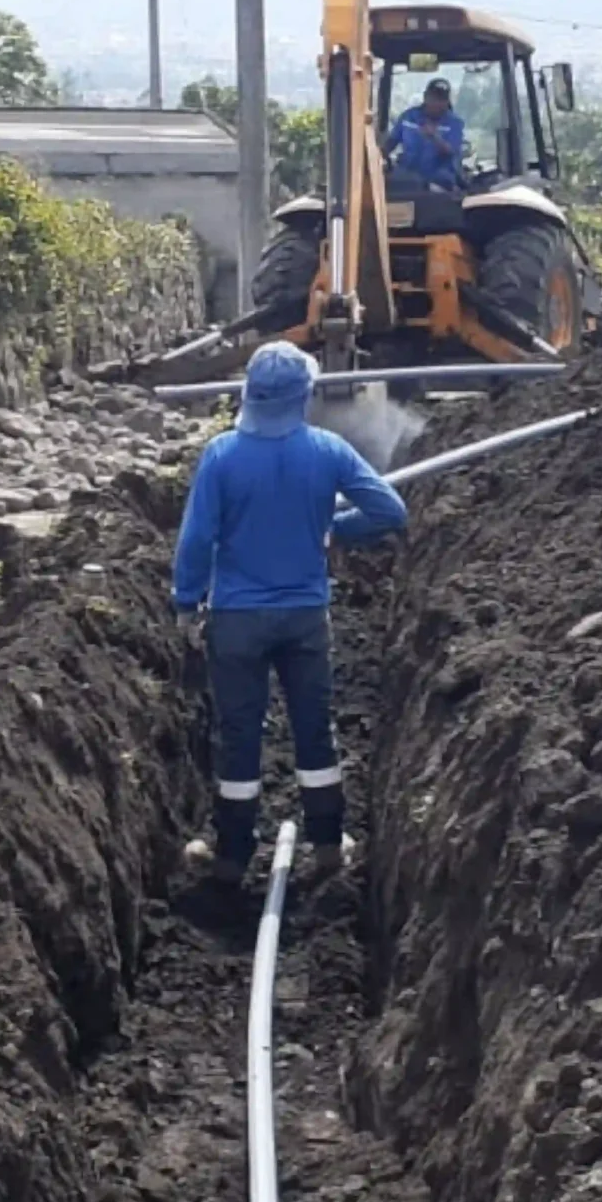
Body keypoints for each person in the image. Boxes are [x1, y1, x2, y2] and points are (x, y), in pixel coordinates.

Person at [172, 343, 408, 889]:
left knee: (239, 734)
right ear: (303, 396)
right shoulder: (327, 450)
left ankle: (231, 856)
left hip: (236, 619)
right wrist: (332, 527)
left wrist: (186, 602)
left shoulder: (222, 455)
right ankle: (327, 845)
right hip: (304, 616)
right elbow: (389, 511)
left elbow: (197, 539)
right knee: (313, 730)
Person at [388, 77, 467, 191]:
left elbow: (452, 151)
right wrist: (378, 156)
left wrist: (434, 137)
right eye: (434, 98)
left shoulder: (454, 123)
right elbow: (392, 141)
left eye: (442, 100)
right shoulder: (408, 117)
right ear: (425, 97)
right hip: (407, 176)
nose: (437, 103)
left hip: (440, 180)